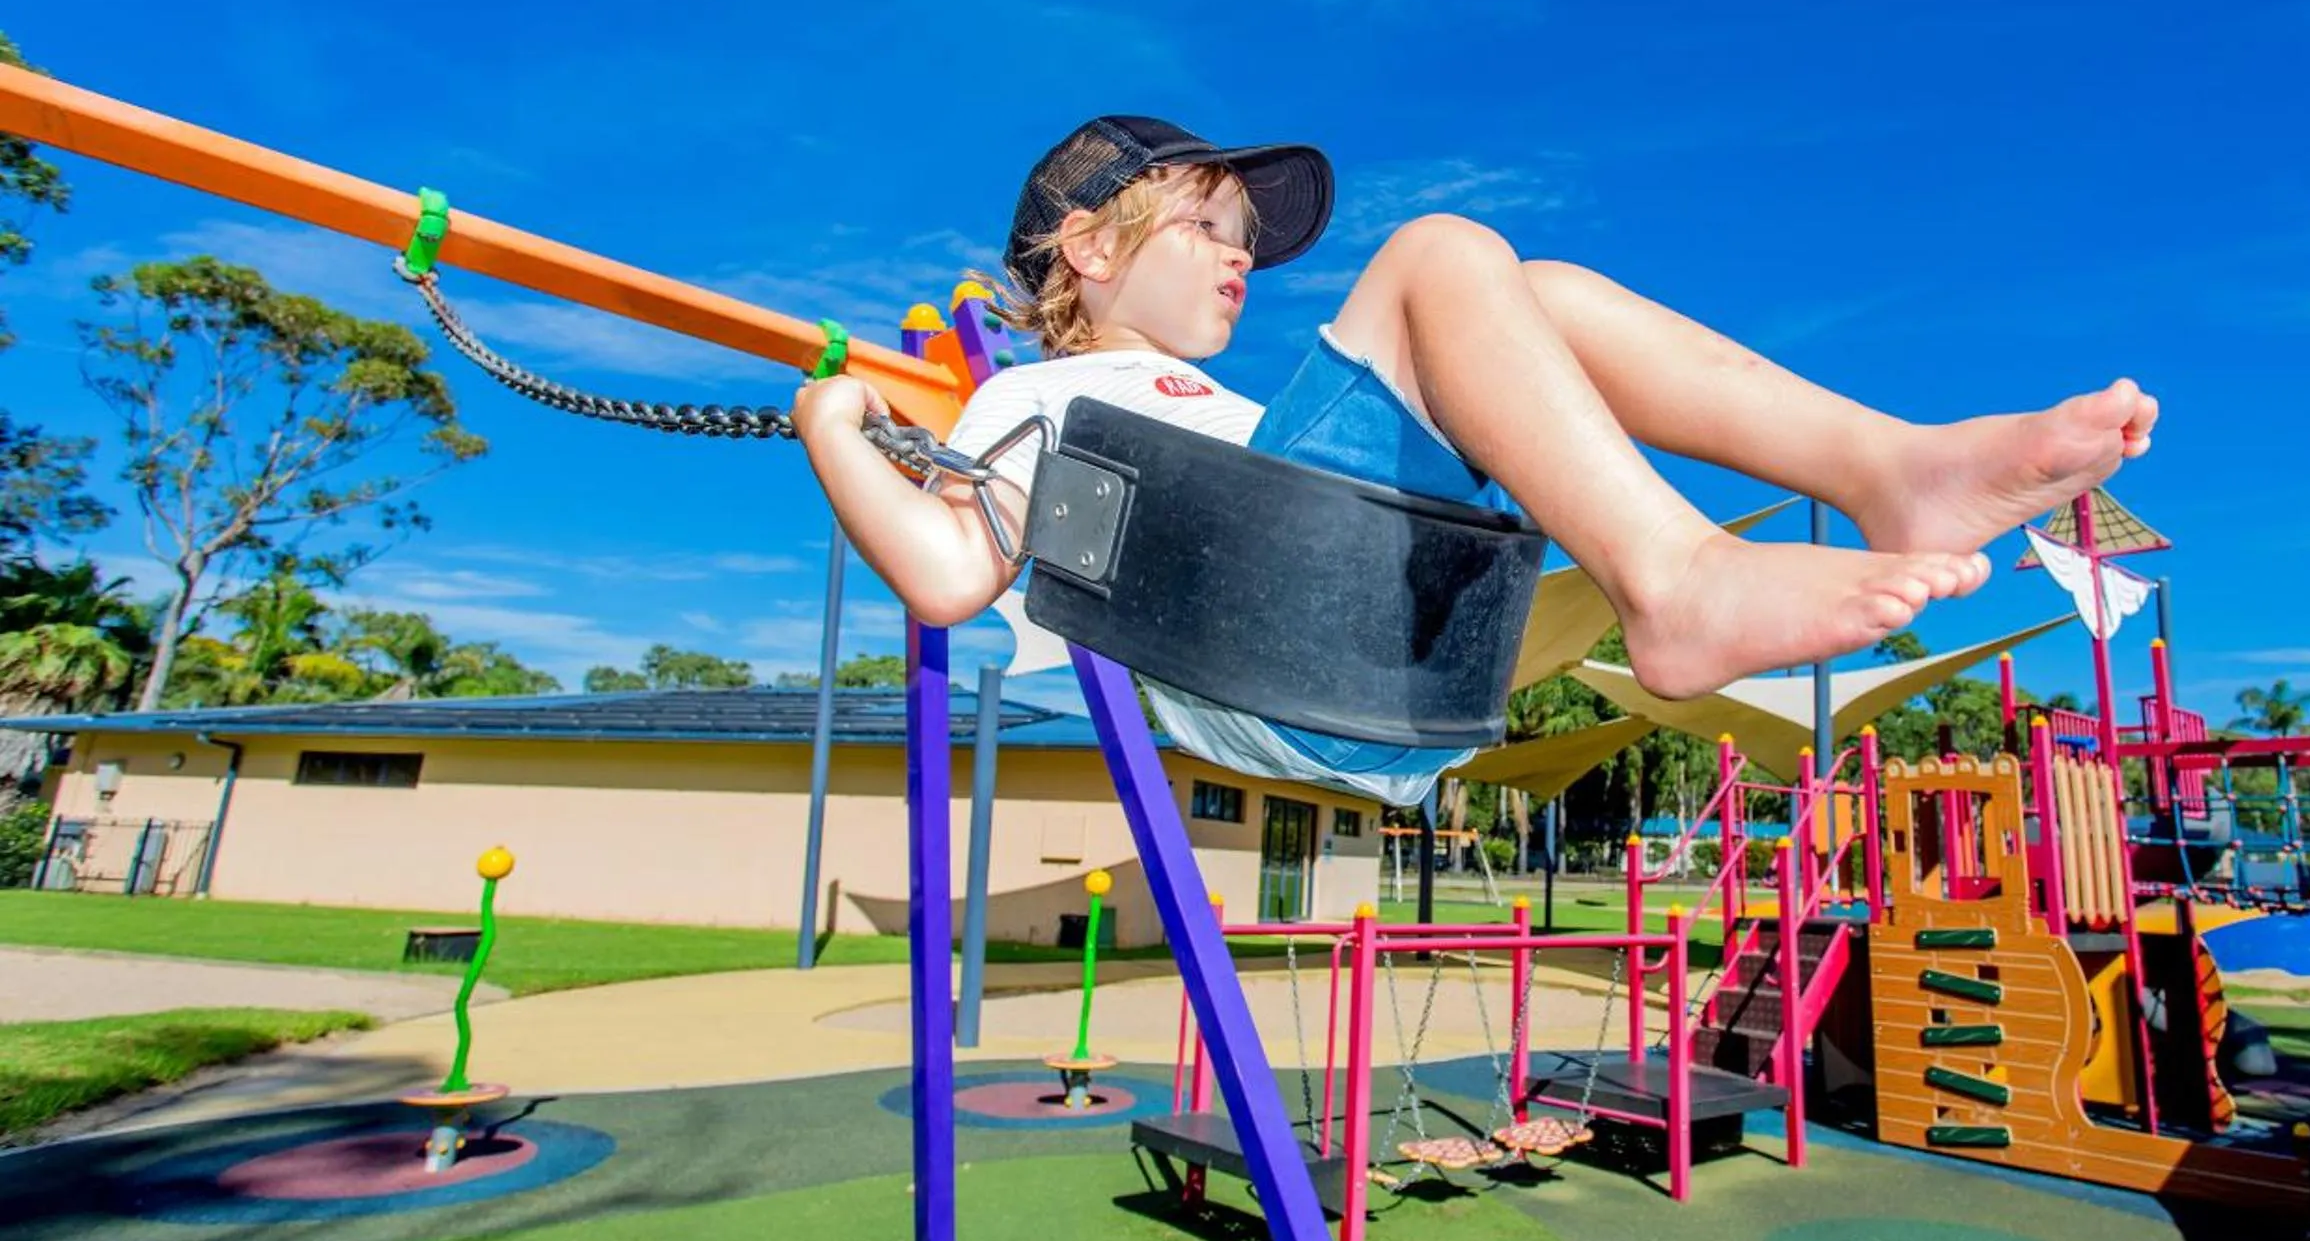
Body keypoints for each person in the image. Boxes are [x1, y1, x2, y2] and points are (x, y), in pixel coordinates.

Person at [794, 115, 2157, 802]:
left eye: (1242, 240)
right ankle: (1676, 580)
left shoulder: (1203, 401)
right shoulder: (1034, 395)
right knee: (1442, 256)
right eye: (1206, 226)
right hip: (1276, 652)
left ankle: (1887, 471)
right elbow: (941, 574)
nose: (1240, 257)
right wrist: (832, 429)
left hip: (1401, 656)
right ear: (1089, 248)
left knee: (1534, 292)